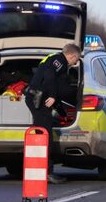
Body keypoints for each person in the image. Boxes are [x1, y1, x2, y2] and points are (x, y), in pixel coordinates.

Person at [25, 43, 82, 184]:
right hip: (39, 98)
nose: (76, 62)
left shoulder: (52, 58)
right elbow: (49, 75)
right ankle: (46, 172)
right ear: (72, 55)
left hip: (35, 97)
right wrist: (53, 96)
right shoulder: (60, 61)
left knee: (42, 132)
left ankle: (40, 170)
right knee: (45, 135)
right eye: (77, 59)